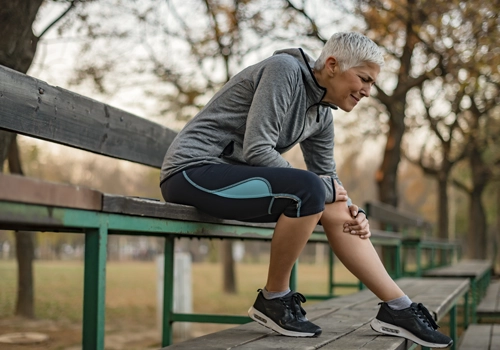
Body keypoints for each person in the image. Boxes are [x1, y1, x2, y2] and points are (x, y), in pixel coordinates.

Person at [160, 32, 452, 348]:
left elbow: (328, 176)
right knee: (310, 190)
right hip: (191, 172)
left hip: (235, 180)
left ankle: (398, 308)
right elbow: (258, 149)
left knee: (331, 201)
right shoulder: (283, 70)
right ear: (331, 65)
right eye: (363, 79)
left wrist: (355, 211)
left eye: (371, 84)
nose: (367, 91)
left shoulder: (322, 114)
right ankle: (274, 298)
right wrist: (322, 187)